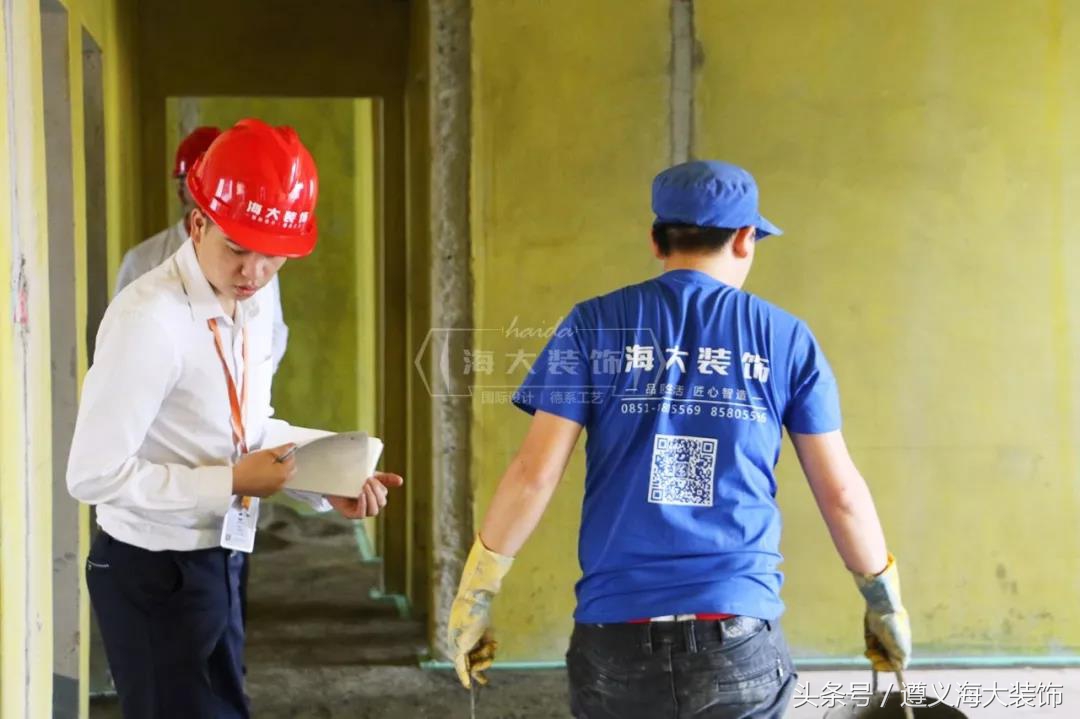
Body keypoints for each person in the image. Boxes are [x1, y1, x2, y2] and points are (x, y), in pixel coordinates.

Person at [447, 161, 911, 718]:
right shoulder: (786, 339)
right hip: (738, 636)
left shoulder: (593, 324)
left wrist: (475, 596)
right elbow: (841, 494)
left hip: (615, 636)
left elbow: (533, 473)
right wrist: (883, 605)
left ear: (655, 239)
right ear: (745, 239)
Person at [68, 118, 402, 719]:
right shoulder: (149, 320)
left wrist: (330, 482)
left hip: (218, 555)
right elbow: (92, 475)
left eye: (272, 258)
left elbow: (249, 428)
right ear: (197, 224)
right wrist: (232, 482)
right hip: (151, 570)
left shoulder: (247, 300)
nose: (253, 272)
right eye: (238, 248)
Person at [115, 125, 289, 374]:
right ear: (180, 190)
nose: (212, 193)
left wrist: (247, 382)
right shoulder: (143, 260)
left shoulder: (257, 263)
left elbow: (273, 331)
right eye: (199, 181)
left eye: (221, 180)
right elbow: (124, 343)